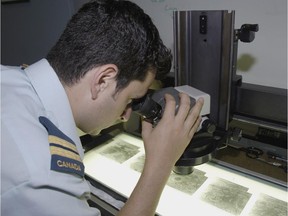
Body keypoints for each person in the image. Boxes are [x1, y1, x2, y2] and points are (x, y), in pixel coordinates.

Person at [1, 0, 204, 215]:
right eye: (129, 100)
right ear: (103, 80)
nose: (126, 116)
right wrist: (161, 163)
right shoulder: (42, 180)